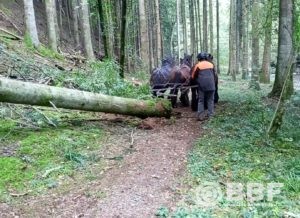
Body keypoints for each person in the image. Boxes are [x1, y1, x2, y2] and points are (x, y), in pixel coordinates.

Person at [191, 52, 217, 120]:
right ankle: (210, 115)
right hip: (212, 85)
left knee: (201, 101)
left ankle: (200, 116)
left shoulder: (198, 65)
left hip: (202, 86)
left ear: (199, 58)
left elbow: (193, 76)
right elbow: (214, 75)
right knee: (210, 100)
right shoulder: (211, 64)